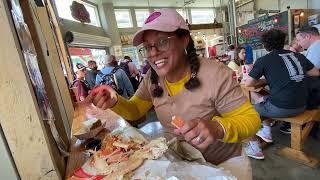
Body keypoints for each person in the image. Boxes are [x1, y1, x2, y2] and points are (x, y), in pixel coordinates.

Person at [87, 9, 261, 179]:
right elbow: (135, 110)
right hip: (182, 163)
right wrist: (115, 102)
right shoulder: (152, 78)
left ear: (184, 39)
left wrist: (216, 128)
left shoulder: (215, 73)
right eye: (147, 47)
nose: (153, 53)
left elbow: (251, 120)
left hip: (225, 164)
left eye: (163, 42)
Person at [244, 29, 319, 159]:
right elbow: (316, 73)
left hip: (283, 108)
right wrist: (291, 75)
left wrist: (269, 78)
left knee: (246, 112)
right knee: (265, 99)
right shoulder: (298, 56)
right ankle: (266, 132)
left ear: (265, 45)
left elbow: (249, 83)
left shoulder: (264, 60)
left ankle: (255, 148)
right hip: (303, 104)